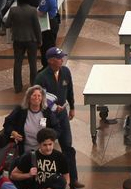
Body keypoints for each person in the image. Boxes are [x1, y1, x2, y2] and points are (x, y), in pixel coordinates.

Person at [34, 48, 82, 188]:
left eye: (62, 57)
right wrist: (53, 108)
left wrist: (72, 107)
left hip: (62, 116)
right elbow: (38, 99)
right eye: (59, 58)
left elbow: (70, 90)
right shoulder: (41, 77)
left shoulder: (66, 72)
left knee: (67, 146)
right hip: (47, 117)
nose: (62, 60)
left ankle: (73, 179)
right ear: (50, 60)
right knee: (47, 147)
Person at [8, 0, 43, 92]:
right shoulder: (32, 10)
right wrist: (39, 40)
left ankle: (17, 86)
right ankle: (33, 85)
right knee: (33, 63)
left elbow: (7, 24)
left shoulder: (13, 10)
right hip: (31, 40)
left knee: (17, 62)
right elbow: (37, 27)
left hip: (18, 39)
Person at [37, 0, 61, 66]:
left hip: (49, 24)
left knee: (46, 46)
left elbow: (41, 12)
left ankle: (47, 66)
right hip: (54, 21)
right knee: (51, 44)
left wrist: (32, 11)